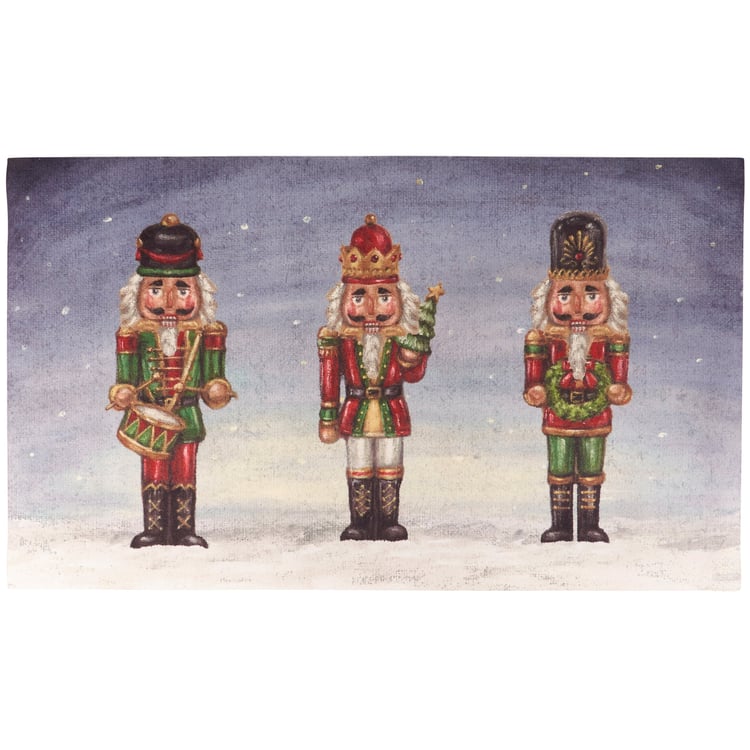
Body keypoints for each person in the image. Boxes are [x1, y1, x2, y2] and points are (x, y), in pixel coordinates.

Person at [109, 213, 234, 548]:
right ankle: (154, 529)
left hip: (188, 413)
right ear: (137, 294)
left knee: (184, 469)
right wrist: (123, 392)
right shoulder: (133, 335)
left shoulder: (206, 334)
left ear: (199, 294)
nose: (168, 302)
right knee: (153, 469)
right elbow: (125, 378)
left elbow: (215, 378)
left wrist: (217, 388)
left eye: (181, 289)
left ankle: (183, 529)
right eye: (155, 289)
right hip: (150, 413)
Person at [317, 213, 442, 541]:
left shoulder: (401, 337)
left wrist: (414, 359)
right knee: (359, 465)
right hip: (355, 409)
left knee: (389, 465)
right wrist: (328, 416)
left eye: (384, 297)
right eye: (359, 297)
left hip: (391, 409)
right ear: (343, 300)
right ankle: (360, 522)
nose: (371, 309)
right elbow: (329, 379)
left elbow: (413, 376)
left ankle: (388, 521)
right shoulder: (338, 339)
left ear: (400, 299)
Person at [524, 211, 631, 543]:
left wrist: (618, 388)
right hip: (557, 417)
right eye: (565, 294)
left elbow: (619, 378)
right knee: (558, 469)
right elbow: (533, 378)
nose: (577, 307)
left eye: (591, 294)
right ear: (548, 297)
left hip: (596, 417)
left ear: (609, 298)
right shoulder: (542, 338)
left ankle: (588, 526)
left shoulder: (611, 338)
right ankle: (560, 525)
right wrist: (535, 390)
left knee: (591, 470)